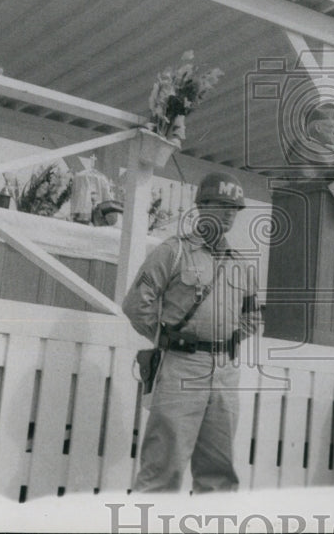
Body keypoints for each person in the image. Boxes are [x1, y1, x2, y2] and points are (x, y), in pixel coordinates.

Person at [122, 171, 260, 492]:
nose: (230, 213)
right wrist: (166, 338)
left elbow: (253, 315)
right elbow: (136, 304)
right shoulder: (173, 252)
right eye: (222, 204)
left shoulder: (239, 264)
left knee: (219, 474)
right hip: (181, 366)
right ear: (201, 206)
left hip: (224, 372)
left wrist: (229, 340)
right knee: (163, 468)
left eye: (235, 208)